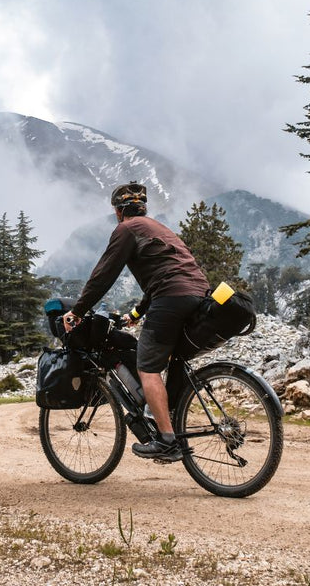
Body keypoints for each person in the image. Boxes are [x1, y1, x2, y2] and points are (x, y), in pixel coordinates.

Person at [62, 182, 209, 461]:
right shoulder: (159, 228)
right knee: (172, 358)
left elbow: (104, 275)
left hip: (170, 297)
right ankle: (172, 419)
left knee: (147, 367)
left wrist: (78, 311)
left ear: (118, 212)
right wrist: (137, 314)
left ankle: (167, 441)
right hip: (200, 294)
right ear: (143, 208)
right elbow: (164, 275)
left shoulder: (126, 229)